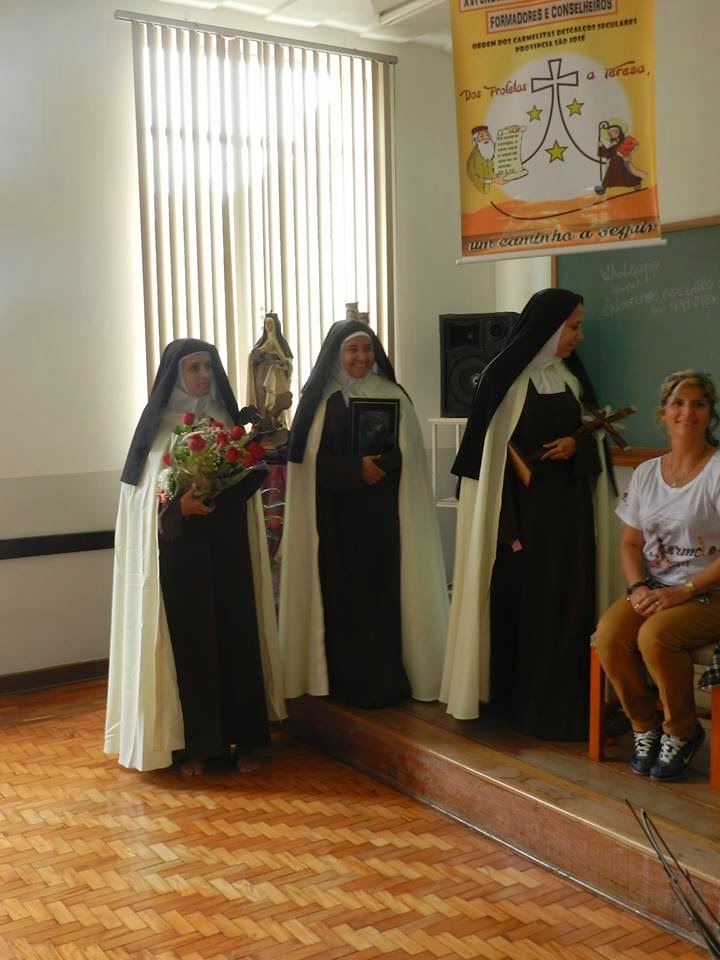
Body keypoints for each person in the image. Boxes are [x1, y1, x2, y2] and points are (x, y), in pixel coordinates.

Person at [105, 339, 286, 774]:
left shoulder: (227, 423)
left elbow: (247, 481)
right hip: (181, 561)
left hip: (228, 552)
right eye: (194, 368)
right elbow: (142, 504)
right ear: (176, 376)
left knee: (237, 640)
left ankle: (245, 738)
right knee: (193, 648)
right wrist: (177, 508)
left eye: (208, 366)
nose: (204, 375)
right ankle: (197, 747)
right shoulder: (158, 430)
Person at [441, 288, 613, 739]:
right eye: (573, 327)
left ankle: (568, 707)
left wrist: (577, 445)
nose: (579, 336)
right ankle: (524, 708)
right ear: (550, 329)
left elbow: (595, 441)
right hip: (523, 524)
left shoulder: (571, 380)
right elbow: (486, 466)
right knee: (527, 611)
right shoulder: (503, 381)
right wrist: (507, 528)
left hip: (570, 517)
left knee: (571, 608)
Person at [279, 319, 448, 709]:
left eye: (367, 349)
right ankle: (343, 682)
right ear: (336, 355)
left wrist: (380, 467)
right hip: (334, 521)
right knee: (343, 600)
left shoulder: (392, 394)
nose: (361, 357)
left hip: (383, 520)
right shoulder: (320, 400)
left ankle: (386, 681)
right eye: (353, 350)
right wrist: (356, 470)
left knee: (382, 599)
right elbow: (307, 463)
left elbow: (410, 454)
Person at [594, 370, 720, 782]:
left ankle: (682, 731)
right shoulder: (647, 473)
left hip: (709, 592)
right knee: (609, 635)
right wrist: (636, 588)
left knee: (655, 636)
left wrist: (684, 590)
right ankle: (644, 725)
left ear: (710, 414)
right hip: (654, 588)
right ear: (662, 414)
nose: (688, 412)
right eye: (678, 404)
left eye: (698, 404)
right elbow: (630, 544)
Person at [247, 312, 293, 427]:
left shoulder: (280, 343)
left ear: (276, 325)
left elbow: (287, 361)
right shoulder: (261, 343)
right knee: (262, 404)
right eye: (266, 323)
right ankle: (262, 425)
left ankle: (276, 424)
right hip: (260, 378)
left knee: (275, 404)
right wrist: (261, 351)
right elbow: (252, 358)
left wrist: (281, 364)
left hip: (275, 378)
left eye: (270, 323)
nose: (268, 326)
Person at [594, 120, 644, 195]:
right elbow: (607, 154)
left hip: (621, 162)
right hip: (613, 162)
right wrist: (601, 146)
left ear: (619, 132)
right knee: (609, 175)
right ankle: (603, 187)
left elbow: (628, 150)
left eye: (615, 132)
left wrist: (627, 156)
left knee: (626, 174)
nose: (613, 135)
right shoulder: (612, 143)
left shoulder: (624, 141)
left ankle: (635, 183)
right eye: (611, 134)